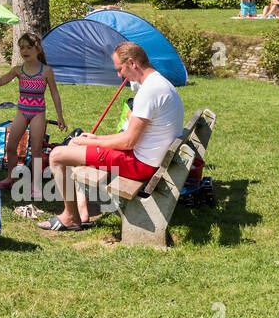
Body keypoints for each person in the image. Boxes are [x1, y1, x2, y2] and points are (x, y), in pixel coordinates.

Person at [41, 41, 185, 231]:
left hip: (139, 165)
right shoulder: (159, 84)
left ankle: (70, 217)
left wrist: (92, 143)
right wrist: (94, 140)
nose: (119, 75)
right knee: (76, 144)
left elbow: (128, 141)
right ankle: (81, 211)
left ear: (132, 63)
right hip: (147, 159)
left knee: (57, 156)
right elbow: (131, 137)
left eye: (120, 69)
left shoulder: (150, 91)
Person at [0, 33, 66, 201]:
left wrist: (60, 116)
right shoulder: (18, 70)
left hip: (38, 113)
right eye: (21, 47)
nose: (24, 50)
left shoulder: (46, 71)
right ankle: (11, 178)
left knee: (37, 150)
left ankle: (36, 186)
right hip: (22, 112)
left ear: (37, 49)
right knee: (10, 147)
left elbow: (54, 93)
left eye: (28, 47)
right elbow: (0, 82)